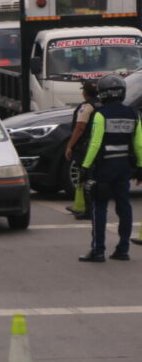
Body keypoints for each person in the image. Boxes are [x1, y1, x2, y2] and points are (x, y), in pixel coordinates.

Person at [78, 74, 142, 262]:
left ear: (103, 94)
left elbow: (95, 143)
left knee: (100, 207)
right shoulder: (133, 114)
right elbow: (138, 144)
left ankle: (98, 250)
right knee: (124, 207)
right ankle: (123, 249)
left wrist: (85, 166)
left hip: (104, 167)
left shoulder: (101, 114)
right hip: (123, 167)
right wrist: (140, 166)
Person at [64, 80, 100, 220]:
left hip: (85, 146)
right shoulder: (102, 105)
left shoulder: (86, 107)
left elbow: (80, 128)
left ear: (84, 93)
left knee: (84, 177)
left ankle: (87, 210)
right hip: (98, 146)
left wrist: (70, 146)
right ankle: (86, 207)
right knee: (94, 176)